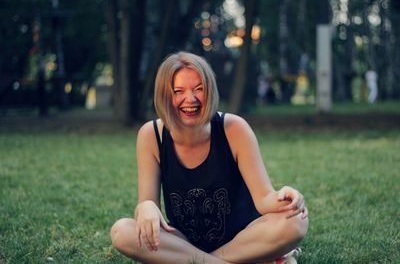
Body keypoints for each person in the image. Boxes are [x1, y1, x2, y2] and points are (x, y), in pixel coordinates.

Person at [110, 52, 309, 264]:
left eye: (199, 89)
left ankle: (205, 261)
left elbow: (263, 199)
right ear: (165, 96)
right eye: (179, 91)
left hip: (243, 239)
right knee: (122, 232)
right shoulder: (151, 135)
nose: (191, 99)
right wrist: (146, 206)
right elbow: (148, 209)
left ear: (210, 91)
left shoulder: (234, 128)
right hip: (185, 242)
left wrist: (284, 197)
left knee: (295, 222)